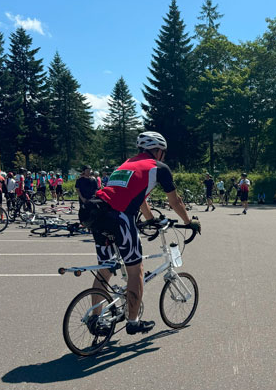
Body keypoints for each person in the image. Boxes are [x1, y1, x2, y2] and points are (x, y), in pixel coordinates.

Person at [82, 131, 201, 336]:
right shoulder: (158, 167)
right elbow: (175, 202)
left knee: (106, 269)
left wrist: (149, 219)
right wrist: (189, 222)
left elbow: (139, 197)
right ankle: (133, 321)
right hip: (120, 217)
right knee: (135, 270)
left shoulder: (126, 165)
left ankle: (95, 318)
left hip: (97, 214)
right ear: (158, 151)